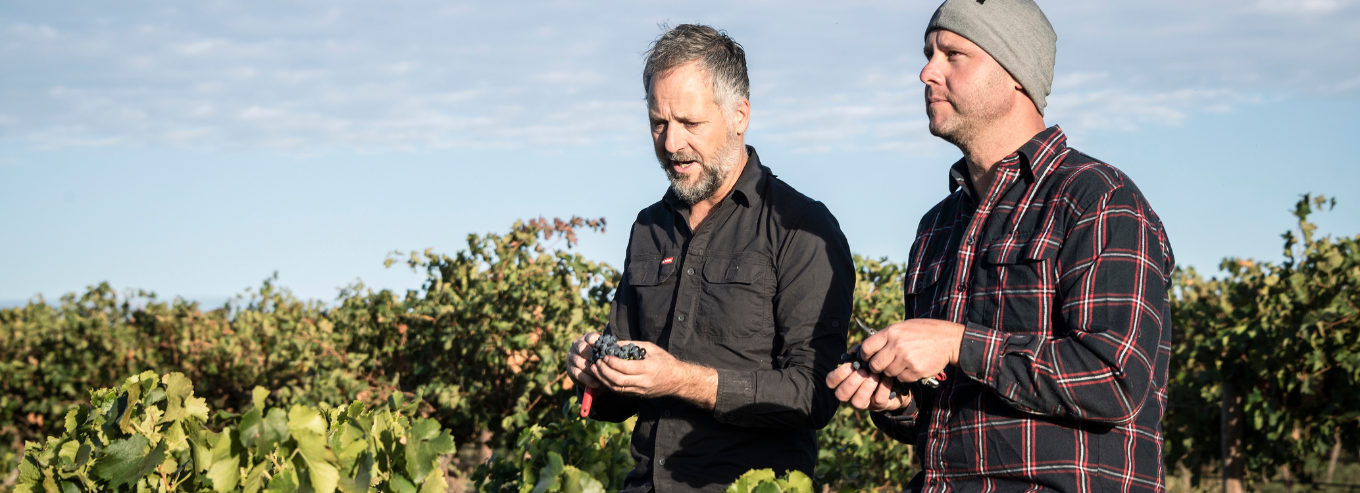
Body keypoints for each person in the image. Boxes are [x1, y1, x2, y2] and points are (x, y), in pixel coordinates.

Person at [825, 1, 1176, 492]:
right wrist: (898, 401)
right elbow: (945, 416)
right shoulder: (937, 228)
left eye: (953, 55)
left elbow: (1114, 378)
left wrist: (954, 342)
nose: (927, 72)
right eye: (928, 53)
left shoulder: (1098, 198)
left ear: (1015, 72)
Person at [565, 24, 855, 493]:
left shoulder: (803, 227)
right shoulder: (648, 227)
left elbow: (814, 393)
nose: (671, 143)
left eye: (690, 124)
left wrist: (681, 380)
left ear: (739, 115)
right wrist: (596, 373)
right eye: (658, 123)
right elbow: (621, 398)